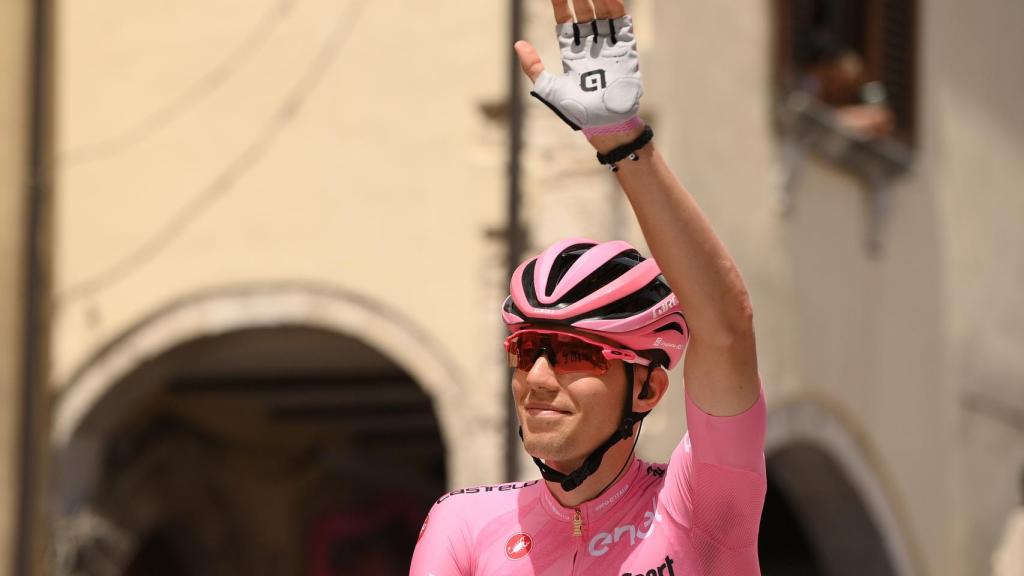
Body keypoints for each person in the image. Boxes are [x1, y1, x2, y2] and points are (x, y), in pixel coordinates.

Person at [410, 1, 766, 574]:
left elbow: (726, 329)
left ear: (647, 388)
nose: (539, 379)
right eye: (527, 351)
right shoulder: (465, 524)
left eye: (576, 354)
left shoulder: (699, 508)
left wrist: (624, 143)